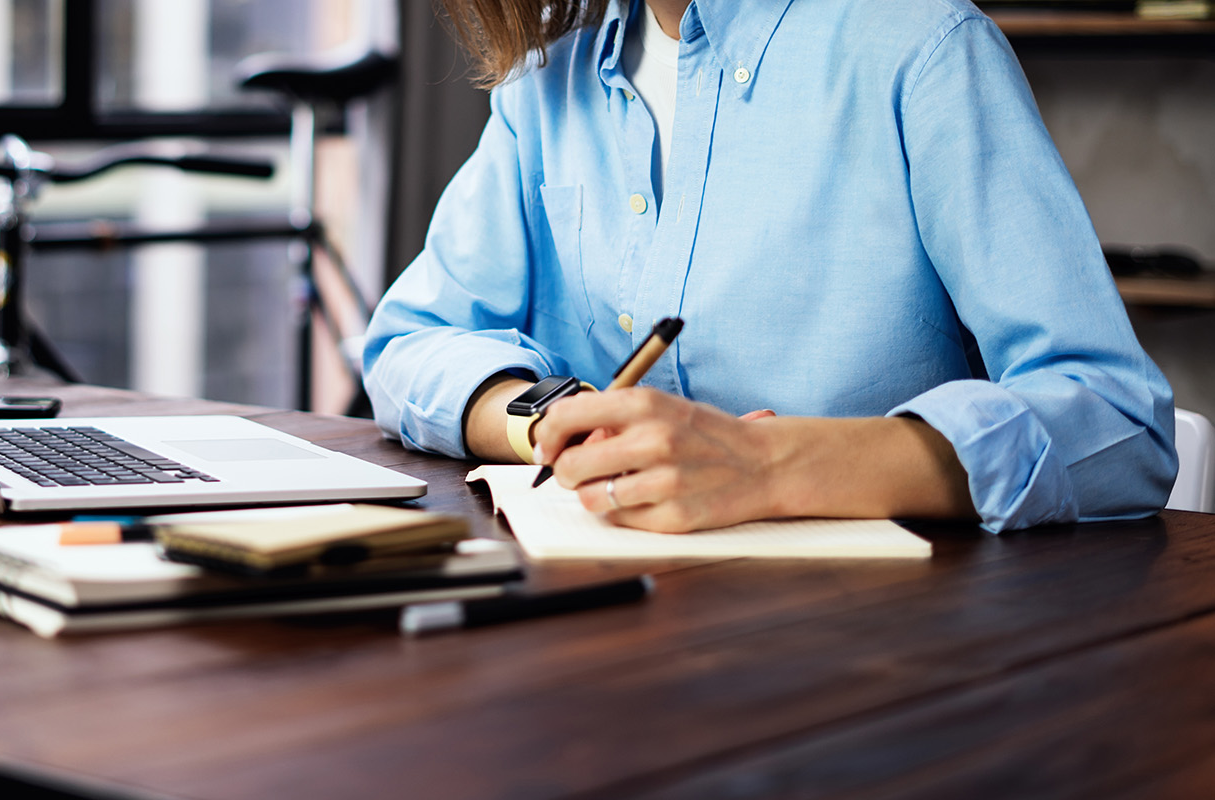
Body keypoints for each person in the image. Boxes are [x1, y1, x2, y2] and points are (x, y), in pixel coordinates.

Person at [362, 0, 1177, 533]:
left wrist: (772, 468)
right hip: (603, 647)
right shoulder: (545, 86)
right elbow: (409, 341)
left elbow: (1118, 422)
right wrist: (551, 417)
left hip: (885, 654)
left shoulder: (922, 47)